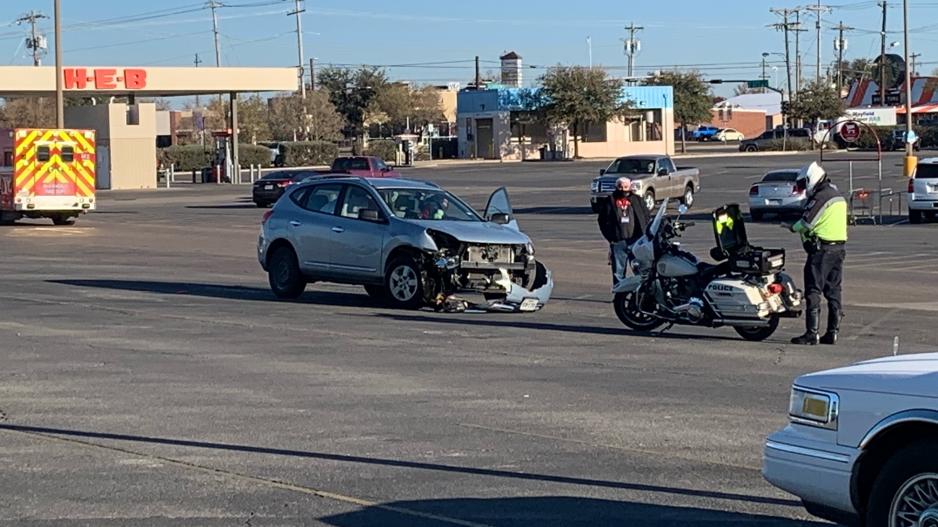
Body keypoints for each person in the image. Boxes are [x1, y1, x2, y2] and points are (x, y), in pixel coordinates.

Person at [784, 162, 848, 346]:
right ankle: (832, 332)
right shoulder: (837, 195)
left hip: (822, 251)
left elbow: (807, 222)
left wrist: (791, 227)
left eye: (804, 184)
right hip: (839, 248)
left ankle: (812, 333)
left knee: (813, 290)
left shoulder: (821, 197)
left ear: (811, 179)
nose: (804, 189)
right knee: (834, 290)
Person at [597, 177, 651, 286]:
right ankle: (619, 297)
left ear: (630, 187)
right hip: (618, 243)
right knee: (618, 273)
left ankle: (642, 295)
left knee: (641, 270)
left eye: (626, 187)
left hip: (636, 241)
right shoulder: (610, 201)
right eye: (620, 187)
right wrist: (611, 238)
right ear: (616, 187)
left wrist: (644, 235)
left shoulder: (637, 200)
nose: (623, 189)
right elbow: (602, 220)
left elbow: (646, 217)